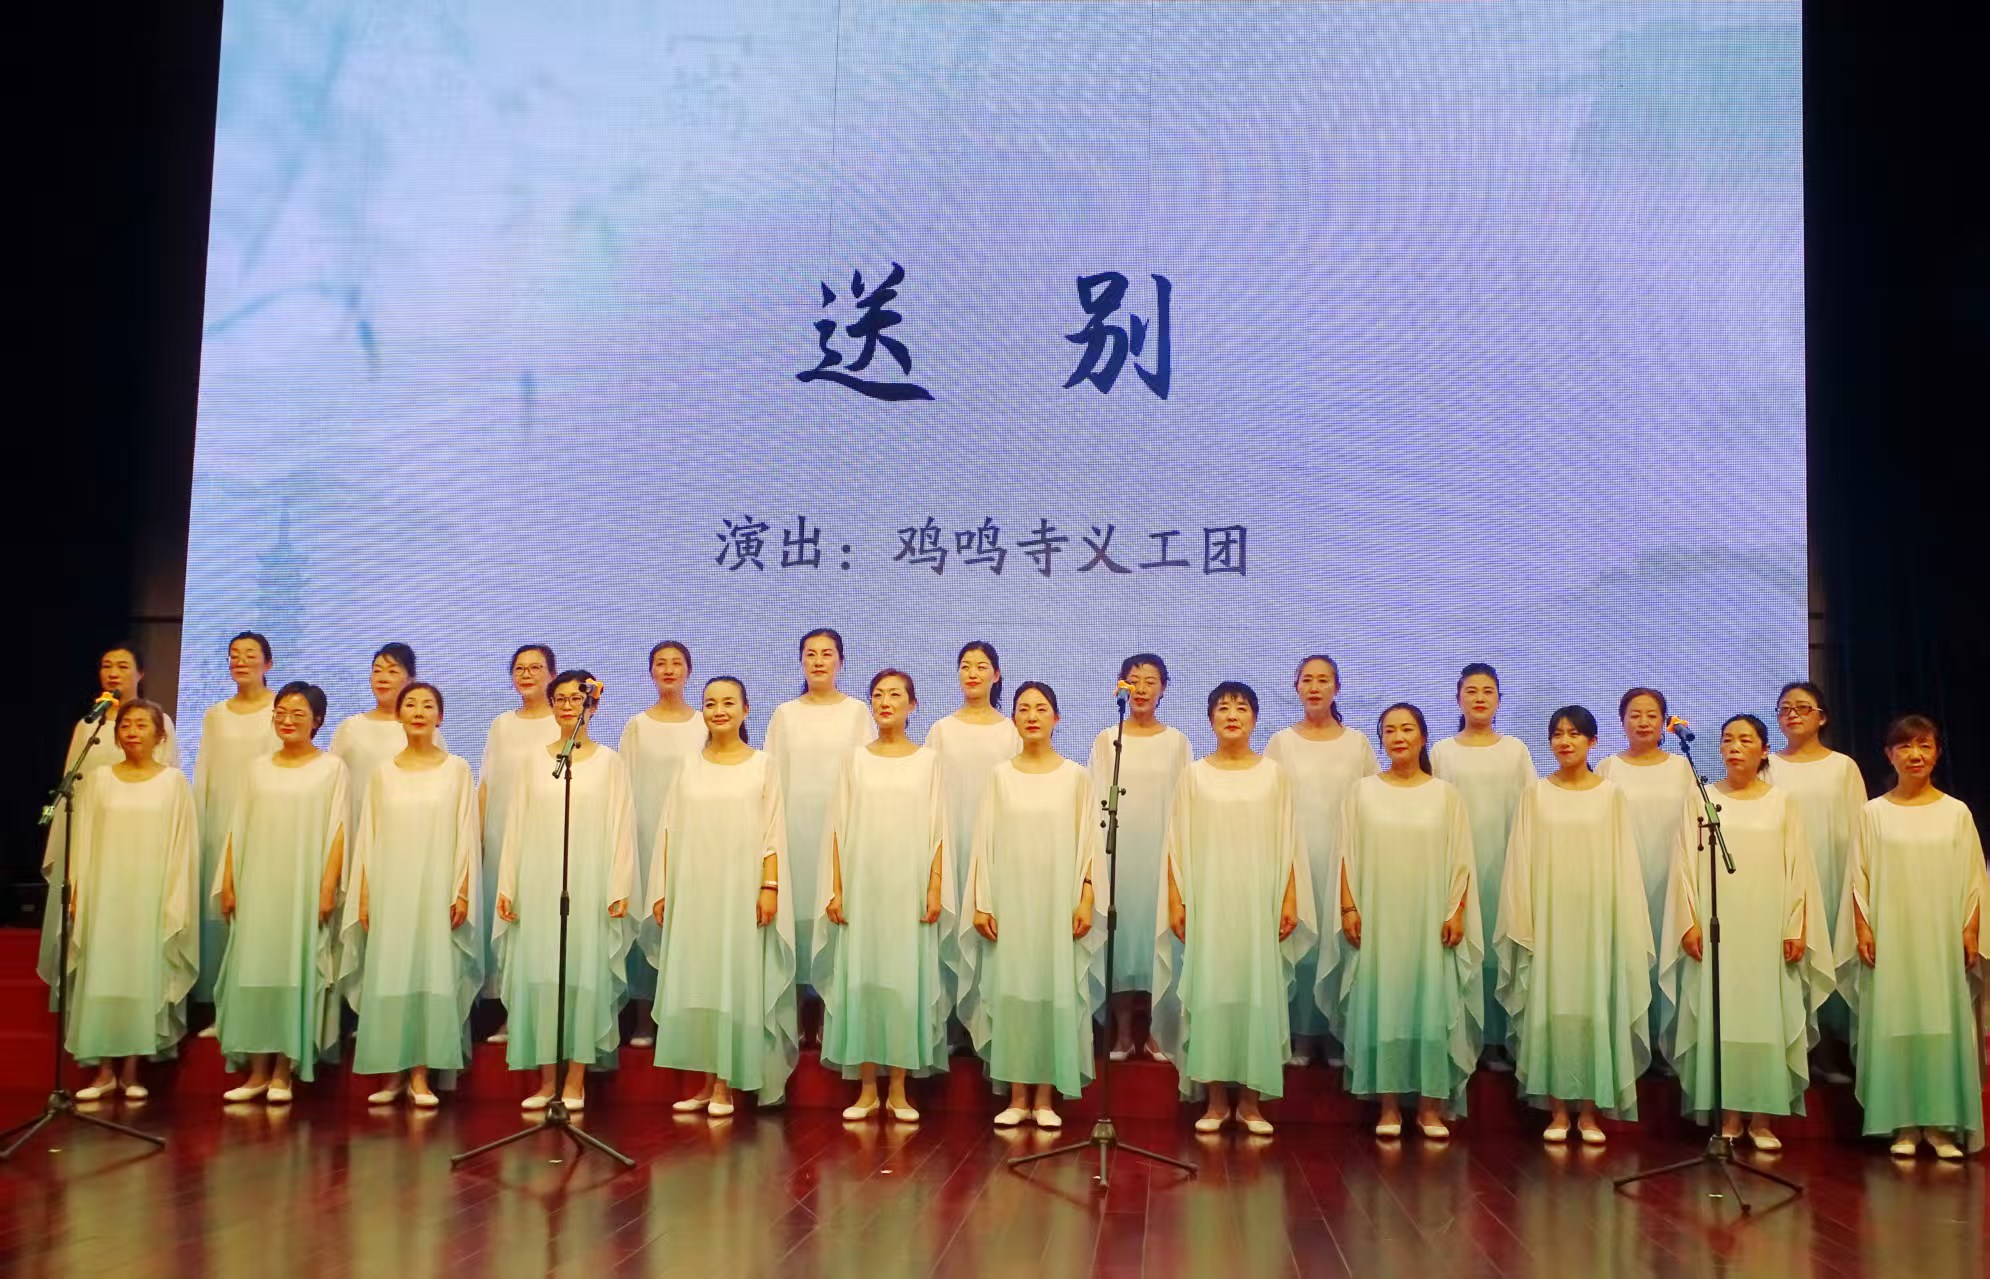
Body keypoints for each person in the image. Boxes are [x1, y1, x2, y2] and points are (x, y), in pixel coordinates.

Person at [1657, 714, 1832, 1149]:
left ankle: (1762, 1117)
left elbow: (1799, 869)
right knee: (1723, 1014)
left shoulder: (1782, 803)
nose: (1734, 747)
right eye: (1727, 740)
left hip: (1768, 926)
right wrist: (1689, 921)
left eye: (1745, 740)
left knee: (1764, 1016)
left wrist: (1795, 926)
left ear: (1764, 750)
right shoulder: (1702, 800)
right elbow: (1683, 864)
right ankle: (1729, 1113)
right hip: (1719, 928)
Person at [1151, 682, 1311, 1136]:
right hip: (1210, 901)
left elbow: (1289, 841)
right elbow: (1175, 843)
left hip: (1260, 900)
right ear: (1211, 719)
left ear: (1255, 718)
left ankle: (1252, 1103)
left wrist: (1290, 897)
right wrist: (1176, 900)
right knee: (1213, 992)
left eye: (1241, 708)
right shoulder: (1194, 776)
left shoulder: (1274, 775)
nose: (1232, 715)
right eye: (1223, 708)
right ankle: (1216, 1101)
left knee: (1257, 992)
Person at [1316, 703, 1479, 1140]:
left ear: (1423, 737)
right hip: (1378, 917)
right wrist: (1348, 909)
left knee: (1431, 1003)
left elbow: (1462, 860)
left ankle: (1429, 1108)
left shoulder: (1446, 795)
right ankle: (1387, 1105)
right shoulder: (1362, 792)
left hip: (1430, 919)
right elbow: (1346, 855)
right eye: (1390, 730)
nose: (1399, 737)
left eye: (1407, 729)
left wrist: (1456, 911)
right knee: (1384, 1003)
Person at [1495, 706, 1652, 1145]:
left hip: (1596, 919)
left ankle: (1589, 1112)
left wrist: (1621, 919)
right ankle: (1558, 1110)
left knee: (1593, 1005)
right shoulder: (1535, 794)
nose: (1565, 742)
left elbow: (1623, 861)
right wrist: (1524, 917)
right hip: (1549, 918)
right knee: (1552, 1005)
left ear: (1592, 742)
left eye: (1574, 734)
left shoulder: (1611, 795)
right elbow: (1520, 861)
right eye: (1558, 734)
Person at [955, 682, 1107, 1129]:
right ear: (1014, 720)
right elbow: (983, 842)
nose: (1032, 716)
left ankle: (1044, 1097)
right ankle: (1017, 1094)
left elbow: (1089, 847)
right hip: (1011, 901)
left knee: (1052, 991)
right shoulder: (999, 776)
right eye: (1023, 709)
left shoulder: (1076, 778)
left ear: (1057, 718)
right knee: (1014, 992)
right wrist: (981, 903)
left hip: (1058, 903)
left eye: (1041, 709)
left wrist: (1086, 899)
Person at [1838, 715, 1987, 1160]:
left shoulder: (1956, 812)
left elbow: (1974, 879)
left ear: (1937, 753)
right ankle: (1901, 1122)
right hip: (1892, 935)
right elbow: (1858, 877)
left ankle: (1940, 1125)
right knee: (1896, 1021)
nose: (1915, 755)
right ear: (1889, 754)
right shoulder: (1873, 813)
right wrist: (1863, 927)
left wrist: (1970, 928)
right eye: (1905, 747)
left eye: (1924, 746)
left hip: (1941, 937)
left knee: (1940, 1023)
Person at [647, 676, 797, 1117]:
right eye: (710, 703)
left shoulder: (763, 765)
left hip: (740, 892)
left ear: (745, 710)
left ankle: (726, 1085)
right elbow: (669, 829)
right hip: (695, 891)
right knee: (701, 982)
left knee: (734, 980)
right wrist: (662, 889)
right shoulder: (687, 766)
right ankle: (706, 1080)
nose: (719, 711)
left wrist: (769, 887)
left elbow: (772, 833)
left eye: (728, 703)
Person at [494, 670, 637, 1112]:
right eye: (560, 698)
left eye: (577, 698)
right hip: (539, 882)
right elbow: (516, 824)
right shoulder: (534, 761)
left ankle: (576, 1079)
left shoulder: (610, 763)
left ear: (592, 705)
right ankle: (546, 1080)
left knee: (582, 977)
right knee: (543, 977)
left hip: (589, 884)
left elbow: (622, 827)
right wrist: (508, 883)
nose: (568, 705)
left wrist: (619, 885)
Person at [817, 670, 952, 1122]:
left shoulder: (928, 761)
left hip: (908, 889)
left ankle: (898, 1088)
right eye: (877, 695)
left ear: (913, 705)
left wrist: (934, 885)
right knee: (864, 980)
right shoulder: (854, 760)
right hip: (863, 887)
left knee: (901, 983)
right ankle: (866, 1089)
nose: (885, 702)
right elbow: (838, 827)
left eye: (895, 695)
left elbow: (938, 830)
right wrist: (837, 888)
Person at [337, 681, 481, 1108]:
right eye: (411, 704)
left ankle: (421, 1074)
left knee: (430, 972)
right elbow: (369, 837)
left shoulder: (457, 769)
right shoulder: (383, 773)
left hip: (437, 886)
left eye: (428, 705)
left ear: (441, 716)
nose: (418, 711)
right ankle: (392, 1073)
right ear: (399, 715)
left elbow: (466, 833)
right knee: (392, 972)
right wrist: (364, 894)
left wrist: (461, 889)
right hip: (391, 888)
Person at [213, 682, 349, 1103]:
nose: (287, 720)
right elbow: (237, 826)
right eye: (281, 713)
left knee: (294, 968)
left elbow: (339, 830)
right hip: (258, 882)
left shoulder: (331, 768)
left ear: (317, 721)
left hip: (303, 886)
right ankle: (256, 1071)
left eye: (298, 713)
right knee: (256, 969)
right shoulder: (256, 769)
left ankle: (283, 1071)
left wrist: (327, 886)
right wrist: (229, 881)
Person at [56, 700, 198, 1101]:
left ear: (160, 735)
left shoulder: (173, 783)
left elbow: (182, 844)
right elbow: (83, 839)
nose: (132, 732)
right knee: (104, 974)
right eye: (126, 725)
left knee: (141, 975)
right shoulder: (100, 780)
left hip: (149, 894)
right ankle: (103, 1071)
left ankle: (132, 1070)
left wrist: (174, 893)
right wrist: (78, 887)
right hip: (106, 893)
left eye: (141, 725)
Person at [39, 644, 180, 1001]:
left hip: (141, 837)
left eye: (123, 666)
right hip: (95, 836)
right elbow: (73, 785)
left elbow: (168, 781)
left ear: (141, 673)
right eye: (107, 666)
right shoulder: (89, 725)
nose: (113, 673)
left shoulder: (159, 722)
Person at [1264, 654, 1375, 1067]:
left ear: (1337, 688)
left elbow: (1372, 801)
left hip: (1344, 857)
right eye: (1307, 680)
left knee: (1341, 939)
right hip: (1295, 855)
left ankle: (1337, 1033)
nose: (1314, 687)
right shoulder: (1281, 743)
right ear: (1296, 687)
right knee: (1301, 939)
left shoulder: (1357, 744)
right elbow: (1269, 803)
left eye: (1323, 680)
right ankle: (1302, 1034)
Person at [1430, 663, 1536, 1067]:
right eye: (1471, 691)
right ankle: (1459, 1040)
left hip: (1505, 863)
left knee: (1499, 944)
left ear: (1499, 700)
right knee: (1459, 947)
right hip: (1454, 867)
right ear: (1457, 698)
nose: (1479, 698)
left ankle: (1497, 1039)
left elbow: (1531, 809)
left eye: (1488, 691)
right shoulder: (1442, 751)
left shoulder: (1516, 751)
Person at [1089, 653, 1191, 1061]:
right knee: (1121, 939)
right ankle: (1122, 1034)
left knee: (1156, 936)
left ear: (1163, 688)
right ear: (1121, 686)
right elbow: (1096, 799)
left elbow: (1184, 802)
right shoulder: (1107, 739)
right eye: (1134, 680)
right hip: (1119, 854)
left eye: (1150, 681)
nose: (1142, 689)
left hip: (1160, 853)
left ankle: (1155, 1031)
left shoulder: (1177, 742)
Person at [1767, 680, 1867, 1082]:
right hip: (1783, 879)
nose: (1792, 714)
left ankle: (1830, 1051)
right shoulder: (1767, 766)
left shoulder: (1842, 767)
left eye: (1802, 707)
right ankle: (1791, 1052)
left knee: (1830, 957)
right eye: (1785, 708)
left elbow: (1860, 828)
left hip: (1832, 874)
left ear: (1822, 718)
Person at [765, 628, 872, 999]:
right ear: (800, 662)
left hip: (841, 832)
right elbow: (770, 780)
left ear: (841, 661)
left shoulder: (857, 713)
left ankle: (834, 1010)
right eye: (810, 654)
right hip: (794, 831)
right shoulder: (785, 715)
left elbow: (867, 776)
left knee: (836, 914)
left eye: (827, 654)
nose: (818, 662)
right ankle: (794, 1009)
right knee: (796, 914)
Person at [1596, 686, 1695, 1053]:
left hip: (1670, 876)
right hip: (1624, 877)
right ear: (1621, 721)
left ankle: (1667, 1043)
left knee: (1670, 951)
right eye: (1634, 715)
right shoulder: (1608, 768)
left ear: (1665, 722)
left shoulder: (1681, 767)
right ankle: (1629, 1047)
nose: (1643, 722)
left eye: (1652, 715)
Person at [618, 641, 705, 1049]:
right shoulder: (637, 725)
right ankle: (643, 1019)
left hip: (691, 836)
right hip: (645, 831)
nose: (669, 670)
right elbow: (623, 785)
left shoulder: (704, 723)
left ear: (689, 670)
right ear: (650, 672)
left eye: (677, 663)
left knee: (687, 922)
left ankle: (684, 1017)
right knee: (646, 920)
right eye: (660, 663)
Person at [191, 632, 280, 1019]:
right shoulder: (215, 715)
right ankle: (217, 1006)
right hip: (220, 821)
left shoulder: (281, 709)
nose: (241, 661)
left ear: (268, 663)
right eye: (234, 655)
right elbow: (205, 772)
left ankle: (254, 1007)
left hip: (264, 822)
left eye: (250, 654)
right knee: (221, 910)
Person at [478, 643, 562, 1042]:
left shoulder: (561, 724)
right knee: (507, 920)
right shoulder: (501, 725)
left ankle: (540, 1016)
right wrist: (477, 835)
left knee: (540, 923)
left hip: (545, 837)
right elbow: (486, 782)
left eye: (536, 667)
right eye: (520, 668)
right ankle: (510, 1014)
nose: (527, 674)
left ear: (552, 675)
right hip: (501, 837)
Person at [922, 641, 1020, 912]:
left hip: (997, 840)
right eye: (965, 667)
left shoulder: (1011, 732)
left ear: (996, 675)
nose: (972, 674)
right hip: (951, 837)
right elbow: (926, 794)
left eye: (981, 667)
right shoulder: (941, 731)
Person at [331, 643, 446, 833]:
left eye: (392, 672)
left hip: (411, 828)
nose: (382, 678)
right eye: (377, 671)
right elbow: (334, 786)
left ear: (411, 680)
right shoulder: (349, 728)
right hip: (358, 829)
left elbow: (440, 784)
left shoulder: (424, 730)